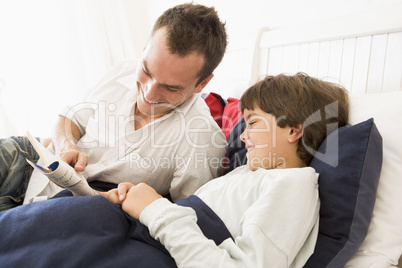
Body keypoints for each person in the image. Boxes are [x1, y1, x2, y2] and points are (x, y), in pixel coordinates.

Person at [0, 73, 349, 267]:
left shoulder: (294, 186)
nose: (243, 134)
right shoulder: (251, 174)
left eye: (254, 122)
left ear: (294, 129)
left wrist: (155, 209)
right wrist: (134, 199)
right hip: (136, 227)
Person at [0, 3, 228, 211]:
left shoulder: (201, 140)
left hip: (60, 210)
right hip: (29, 159)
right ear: (145, 49)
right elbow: (70, 118)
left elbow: (181, 217)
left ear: (203, 83)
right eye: (147, 71)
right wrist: (66, 145)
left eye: (170, 87)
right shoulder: (123, 70)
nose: (148, 94)